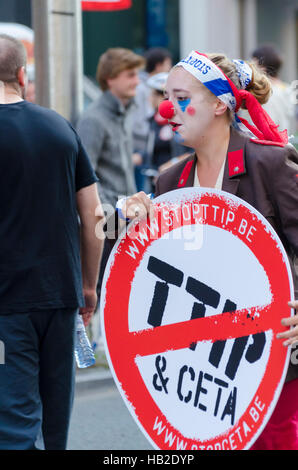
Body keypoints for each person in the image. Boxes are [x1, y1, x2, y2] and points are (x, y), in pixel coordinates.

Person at [113, 50, 298, 450]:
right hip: (198, 359)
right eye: (167, 96)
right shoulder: (169, 183)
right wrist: (124, 221)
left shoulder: (270, 164)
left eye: (182, 97)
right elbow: (143, 271)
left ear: (219, 103)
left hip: (269, 351)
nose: (168, 109)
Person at [0, 34, 104, 450]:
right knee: (56, 418)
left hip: (6, 307)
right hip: (61, 296)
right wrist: (89, 285)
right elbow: (95, 216)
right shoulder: (59, 126)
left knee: (13, 418)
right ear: (22, 75)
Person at [132, 48, 173, 191]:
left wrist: (172, 165)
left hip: (173, 182)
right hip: (153, 182)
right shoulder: (152, 121)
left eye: (153, 95)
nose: (149, 98)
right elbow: (150, 148)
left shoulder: (175, 122)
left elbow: (188, 151)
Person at [240, 44, 296, 137]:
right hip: (282, 145)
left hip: (263, 147)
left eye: (253, 64)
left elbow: (264, 130)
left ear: (263, 68)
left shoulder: (265, 94)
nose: (250, 69)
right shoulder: (286, 89)